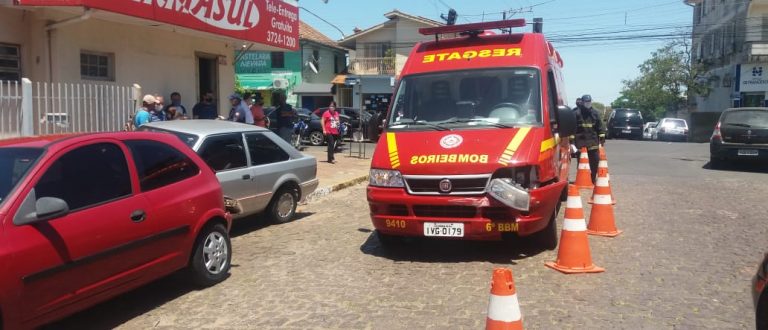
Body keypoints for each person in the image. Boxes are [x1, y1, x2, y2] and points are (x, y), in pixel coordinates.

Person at [572, 94, 606, 183]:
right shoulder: (576, 113)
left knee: (595, 163)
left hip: (593, 143)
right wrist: (571, 143)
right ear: (582, 102)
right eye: (586, 102)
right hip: (580, 144)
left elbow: (600, 127)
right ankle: (582, 180)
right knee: (582, 164)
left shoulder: (595, 113)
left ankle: (592, 179)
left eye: (589, 102)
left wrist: (602, 138)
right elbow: (572, 129)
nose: (588, 104)